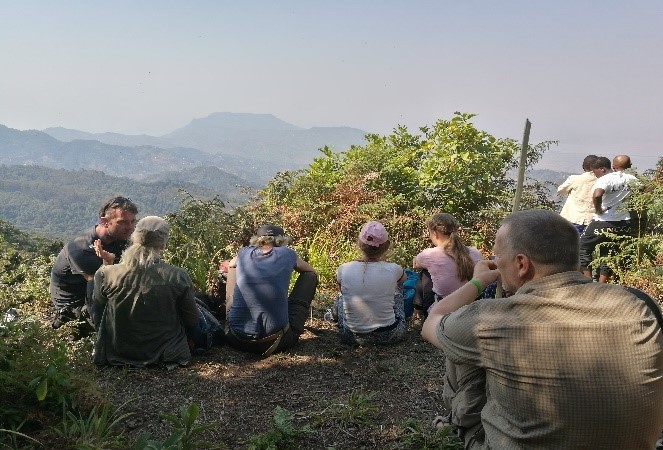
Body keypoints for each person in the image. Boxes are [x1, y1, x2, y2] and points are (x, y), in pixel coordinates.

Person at [421, 209, 663, 449]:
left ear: (521, 264)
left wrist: (479, 280)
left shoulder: (491, 319)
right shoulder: (640, 304)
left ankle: (463, 426)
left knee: (459, 342)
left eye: (497, 257)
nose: (495, 263)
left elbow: (433, 320)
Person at [92, 216, 200, 367]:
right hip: (167, 353)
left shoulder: (105, 274)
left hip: (116, 352)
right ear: (162, 245)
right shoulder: (177, 275)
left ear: (134, 239)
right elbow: (192, 320)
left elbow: (97, 311)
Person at [224, 224, 318, 356]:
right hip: (275, 342)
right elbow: (311, 271)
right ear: (281, 240)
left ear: (257, 240)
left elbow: (232, 264)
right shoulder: (288, 254)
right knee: (310, 277)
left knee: (233, 269)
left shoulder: (244, 252)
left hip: (235, 339)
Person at [49, 196, 138, 329]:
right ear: (105, 221)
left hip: (97, 295)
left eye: (132, 222)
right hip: (75, 309)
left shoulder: (120, 237)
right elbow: (99, 291)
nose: (129, 227)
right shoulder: (82, 248)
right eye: (122, 222)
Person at [333, 221, 407, 345]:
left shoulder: (343, 269)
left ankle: (334, 315)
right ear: (386, 246)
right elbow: (403, 280)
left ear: (359, 243)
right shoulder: (394, 269)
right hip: (390, 334)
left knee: (342, 297)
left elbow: (341, 288)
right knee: (397, 290)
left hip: (351, 336)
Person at [579, 154, 638, 282]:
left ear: (613, 166)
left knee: (581, 247)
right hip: (624, 223)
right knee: (608, 252)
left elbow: (597, 195)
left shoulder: (607, 179)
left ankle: (587, 281)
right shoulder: (633, 179)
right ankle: (602, 284)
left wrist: (599, 210)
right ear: (629, 166)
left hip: (603, 221)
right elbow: (644, 192)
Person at [412, 213, 483, 318]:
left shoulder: (429, 255)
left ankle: (418, 312)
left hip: (444, 311)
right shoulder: (474, 252)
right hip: (472, 306)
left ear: (435, 233)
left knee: (424, 273)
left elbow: (415, 264)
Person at [557, 154, 598, 234]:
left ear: (583, 167)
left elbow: (560, 190)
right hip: (592, 220)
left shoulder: (575, 179)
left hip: (573, 217)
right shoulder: (602, 181)